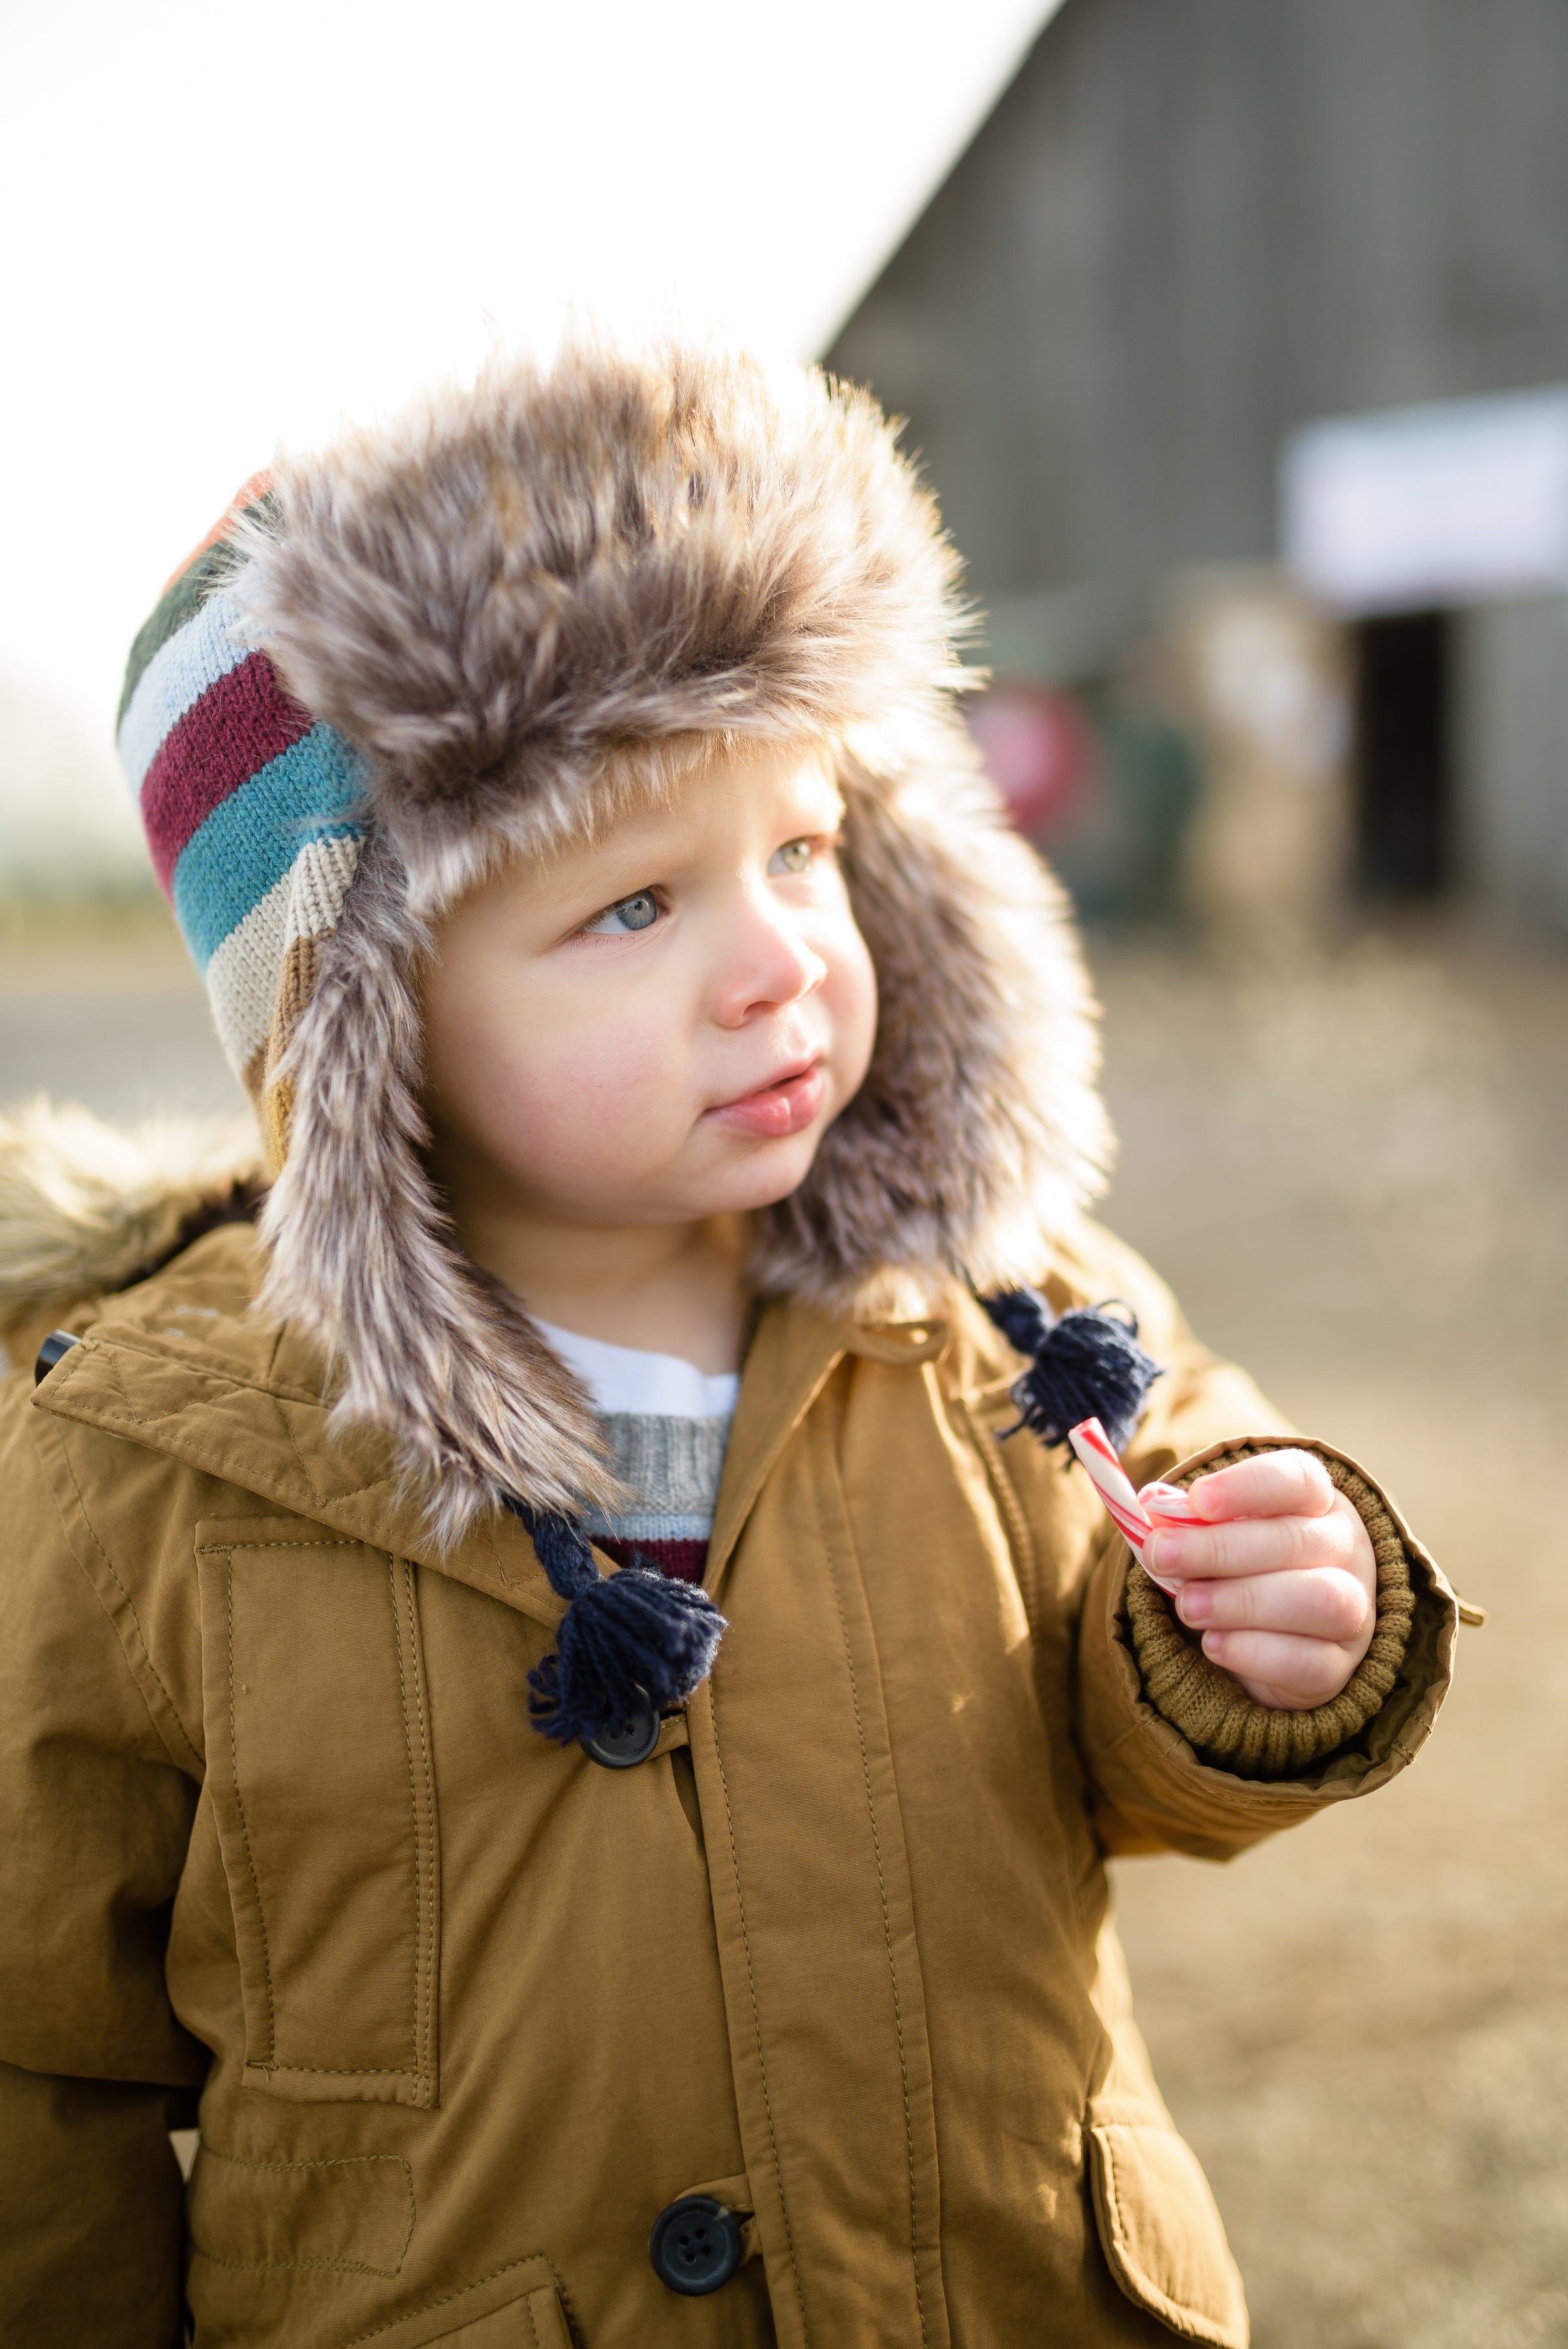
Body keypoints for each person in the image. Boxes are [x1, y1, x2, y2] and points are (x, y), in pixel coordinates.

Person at [0, 337, 1460, 2349]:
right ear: (363, 1030)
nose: (780, 956)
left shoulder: (1007, 1319)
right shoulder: (147, 1462)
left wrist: (1266, 1614)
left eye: (798, 850)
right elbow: (35, 2072)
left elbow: (1153, 1723)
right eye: (631, 908)